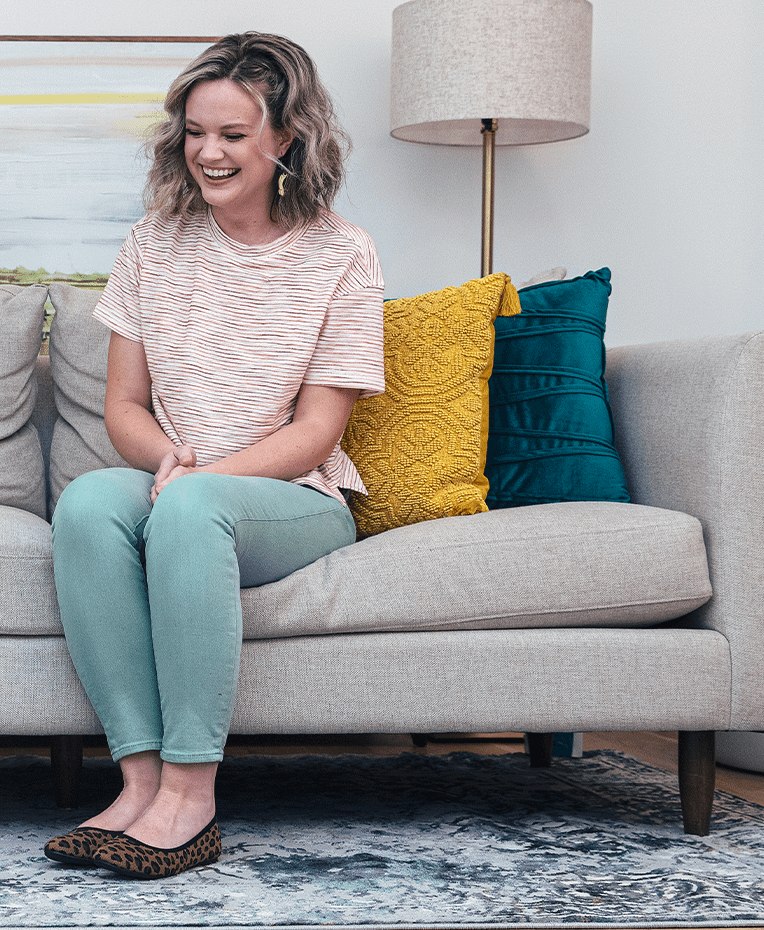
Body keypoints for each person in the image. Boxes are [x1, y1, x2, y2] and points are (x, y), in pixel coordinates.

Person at [43, 32, 386, 880]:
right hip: (181, 477)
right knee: (88, 502)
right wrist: (171, 463)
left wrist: (199, 482)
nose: (208, 152)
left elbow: (318, 434)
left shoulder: (343, 254)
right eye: (197, 131)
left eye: (232, 134)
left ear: (287, 140)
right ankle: (139, 781)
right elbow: (124, 408)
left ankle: (192, 798)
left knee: (193, 509)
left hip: (295, 498)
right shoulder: (152, 244)